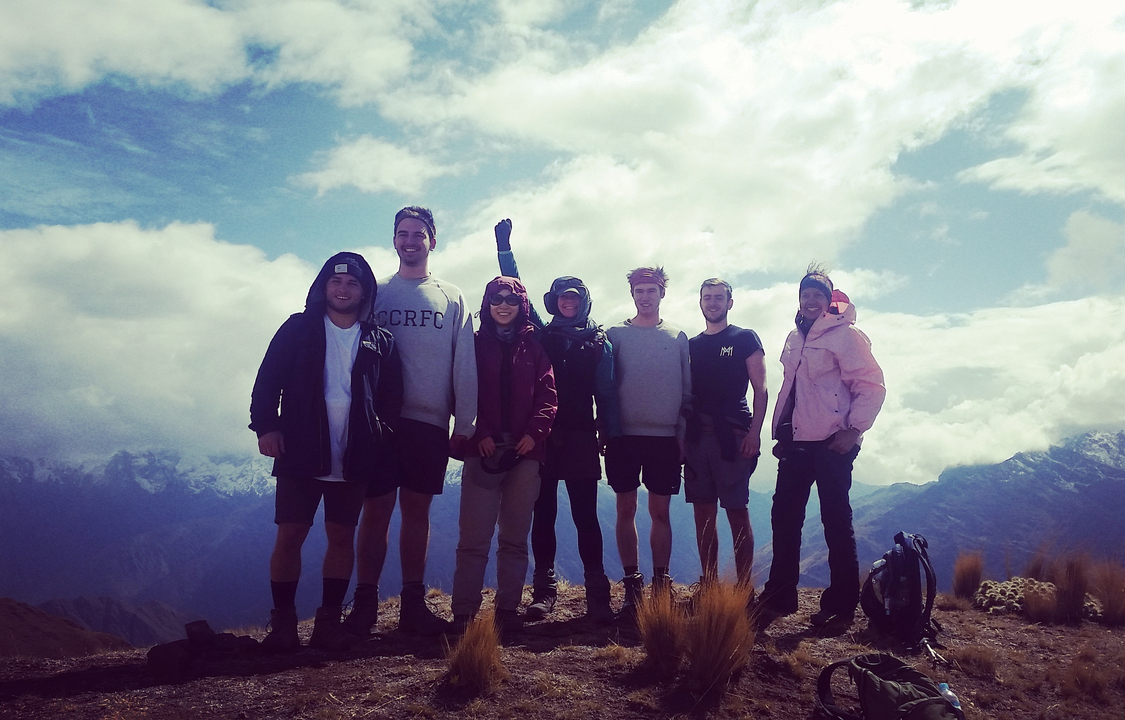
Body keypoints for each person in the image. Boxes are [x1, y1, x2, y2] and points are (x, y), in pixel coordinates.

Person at [249, 252, 402, 651]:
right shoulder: (298, 329)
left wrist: (379, 435)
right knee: (290, 534)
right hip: (300, 449)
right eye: (336, 283)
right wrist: (266, 426)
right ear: (323, 287)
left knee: (341, 536)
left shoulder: (380, 340)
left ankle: (327, 624)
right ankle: (282, 626)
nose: (343, 289)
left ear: (363, 292)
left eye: (352, 284)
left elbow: (391, 399)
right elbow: (267, 381)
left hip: (354, 456)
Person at [343, 207, 477, 638]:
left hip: (430, 420)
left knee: (417, 511)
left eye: (418, 234)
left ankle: (412, 606)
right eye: (402, 234)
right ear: (394, 240)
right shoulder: (374, 293)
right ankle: (364, 604)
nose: (410, 240)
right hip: (377, 420)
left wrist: (466, 422)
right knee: (375, 510)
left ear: (432, 240)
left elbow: (464, 362)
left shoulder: (451, 296)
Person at [493, 219, 620, 623]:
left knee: (585, 514)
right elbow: (518, 293)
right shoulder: (543, 334)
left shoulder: (601, 341)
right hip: (543, 436)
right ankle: (544, 591)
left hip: (582, 436)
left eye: (574, 297)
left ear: (583, 300)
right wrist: (504, 251)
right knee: (542, 513)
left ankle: (596, 591)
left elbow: (608, 394)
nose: (568, 302)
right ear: (554, 303)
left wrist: (610, 436)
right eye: (562, 298)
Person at [759, 264, 886, 629]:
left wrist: (854, 430)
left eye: (818, 294)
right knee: (784, 518)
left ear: (830, 300)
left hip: (832, 443)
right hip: (797, 442)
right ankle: (780, 593)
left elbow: (871, 384)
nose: (811, 300)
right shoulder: (794, 337)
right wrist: (782, 431)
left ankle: (842, 603)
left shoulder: (847, 336)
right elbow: (791, 388)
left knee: (835, 521)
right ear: (799, 299)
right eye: (806, 294)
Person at [450, 276, 558, 636]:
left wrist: (533, 435)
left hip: (526, 455)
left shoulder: (535, 348)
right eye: (496, 298)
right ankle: (465, 613)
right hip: (482, 451)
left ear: (521, 305)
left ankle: (507, 610)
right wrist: (477, 432)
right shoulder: (473, 345)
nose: (503, 304)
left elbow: (548, 396)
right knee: (474, 539)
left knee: (514, 537)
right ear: (487, 303)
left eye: (511, 299)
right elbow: (460, 389)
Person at [605, 267, 691, 616]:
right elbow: (606, 387)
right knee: (625, 509)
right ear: (632, 294)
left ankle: (661, 582)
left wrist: (682, 436)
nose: (645, 296)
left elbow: (686, 391)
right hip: (624, 436)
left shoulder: (677, 336)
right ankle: (632, 585)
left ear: (661, 294)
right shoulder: (615, 335)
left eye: (651, 291)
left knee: (660, 512)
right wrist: (606, 430)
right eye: (639, 291)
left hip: (664, 436)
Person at [684, 278, 767, 588]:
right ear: (700, 301)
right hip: (697, 435)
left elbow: (761, 389)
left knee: (736, 510)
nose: (713, 302)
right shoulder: (691, 345)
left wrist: (755, 433)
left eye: (719, 297)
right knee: (703, 513)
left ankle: (744, 588)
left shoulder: (745, 338)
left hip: (732, 434)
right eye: (707, 297)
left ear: (730, 302)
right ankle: (710, 583)